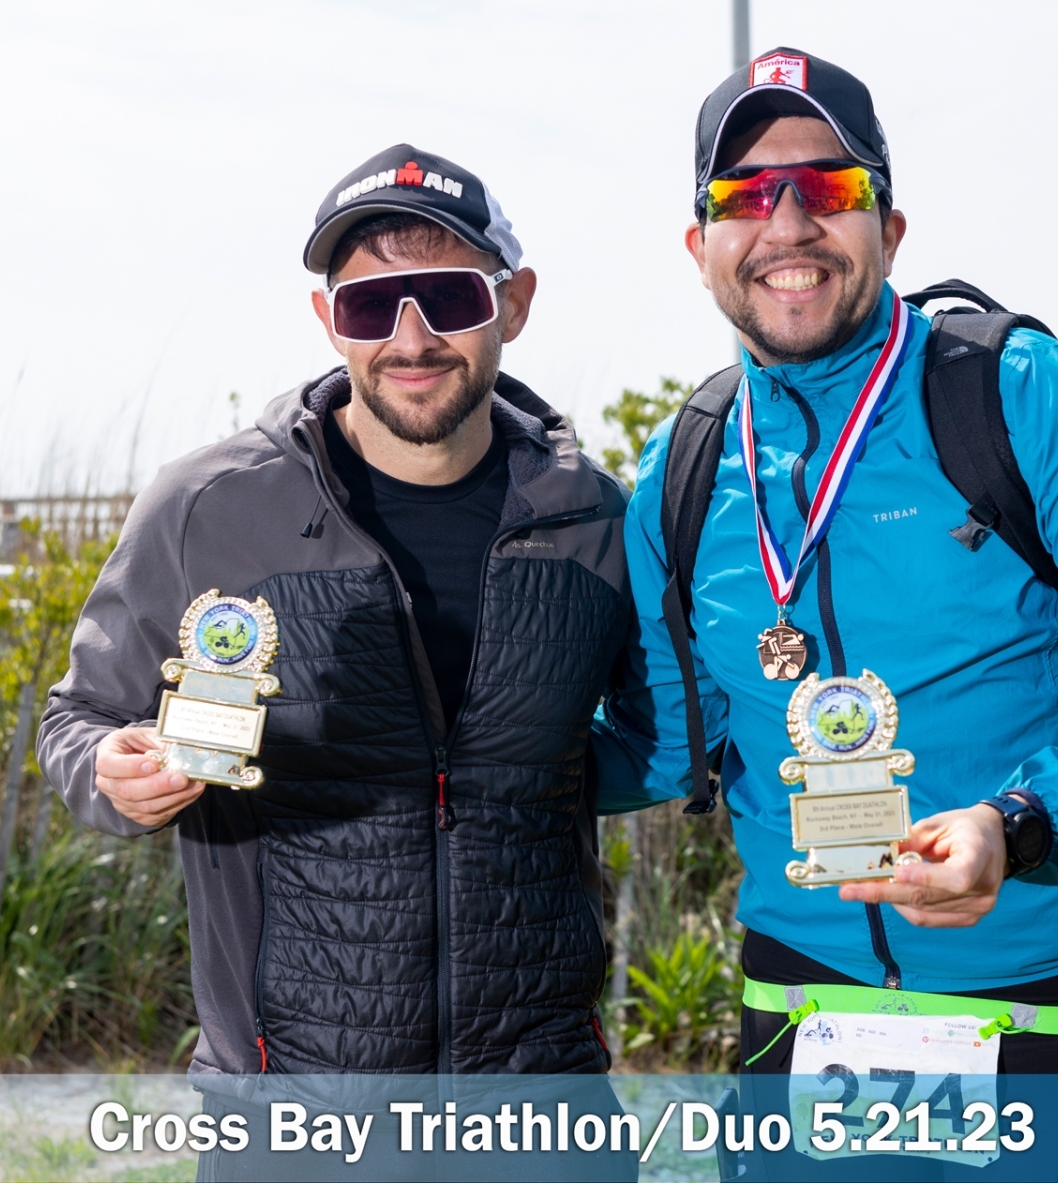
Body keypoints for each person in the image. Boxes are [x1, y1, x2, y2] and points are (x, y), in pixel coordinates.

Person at [594, 47, 1058, 1171]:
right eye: (746, 196)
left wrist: (1023, 823)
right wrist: (428, 765)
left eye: (830, 189)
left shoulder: (1030, 397)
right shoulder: (685, 464)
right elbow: (661, 743)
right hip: (799, 1011)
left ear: (890, 229)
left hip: (1043, 1003)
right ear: (700, 248)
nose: (788, 223)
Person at [39, 144, 632, 1078]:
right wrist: (109, 772)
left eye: (449, 298)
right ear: (328, 320)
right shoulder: (208, 507)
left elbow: (650, 732)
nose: (410, 339)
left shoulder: (594, 520)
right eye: (368, 305)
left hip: (540, 1100)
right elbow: (77, 717)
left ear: (512, 304)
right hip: (291, 1110)